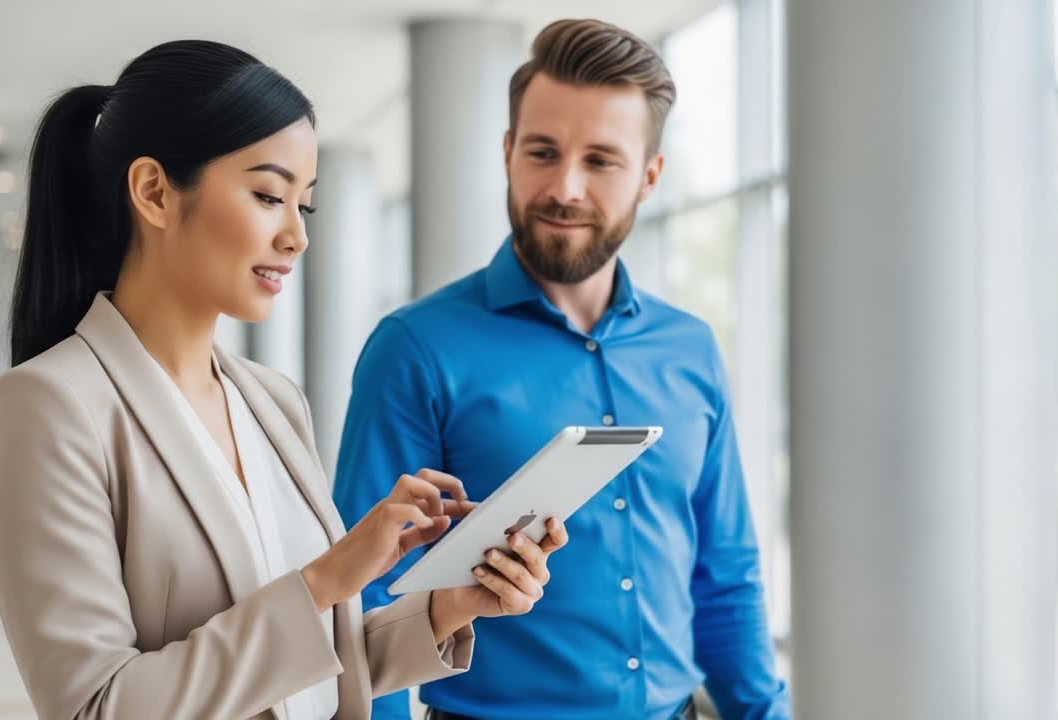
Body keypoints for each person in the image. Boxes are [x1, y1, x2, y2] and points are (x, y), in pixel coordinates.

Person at [0, 40, 568, 720]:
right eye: (268, 195)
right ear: (154, 193)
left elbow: (304, 672)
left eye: (305, 206)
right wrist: (327, 578)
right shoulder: (49, 406)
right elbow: (97, 706)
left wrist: (449, 605)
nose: (297, 236)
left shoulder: (272, 401)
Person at [334, 19, 790, 720]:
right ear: (509, 153)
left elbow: (725, 578)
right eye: (542, 152)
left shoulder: (691, 349)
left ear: (650, 176)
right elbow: (364, 591)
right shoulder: (415, 350)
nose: (565, 188)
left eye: (601, 160)